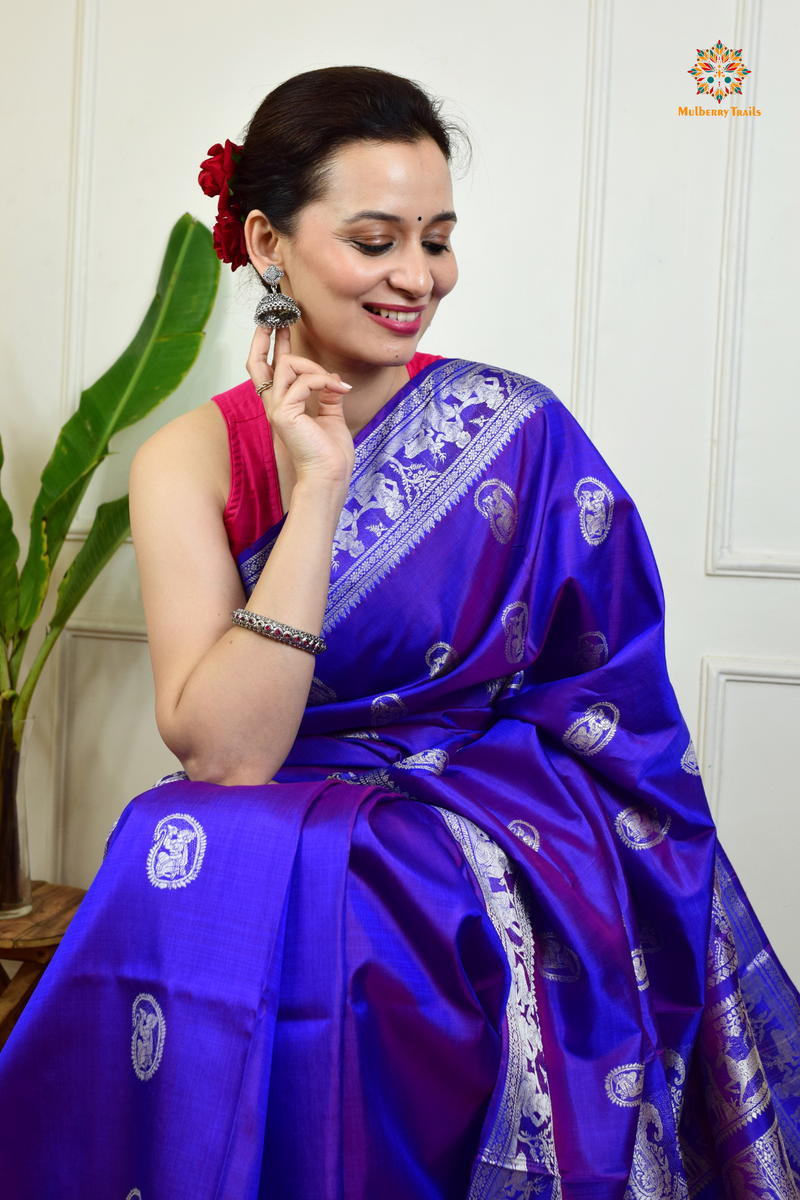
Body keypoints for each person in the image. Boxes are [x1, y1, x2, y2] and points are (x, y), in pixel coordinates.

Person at [0, 65, 798, 1200]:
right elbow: (227, 756)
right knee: (184, 842)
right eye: (375, 240)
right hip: (281, 794)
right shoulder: (190, 459)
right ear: (268, 242)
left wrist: (440, 806)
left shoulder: (516, 432)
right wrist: (316, 485)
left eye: (436, 238)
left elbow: (598, 702)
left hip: (488, 809)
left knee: (353, 882)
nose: (417, 278)